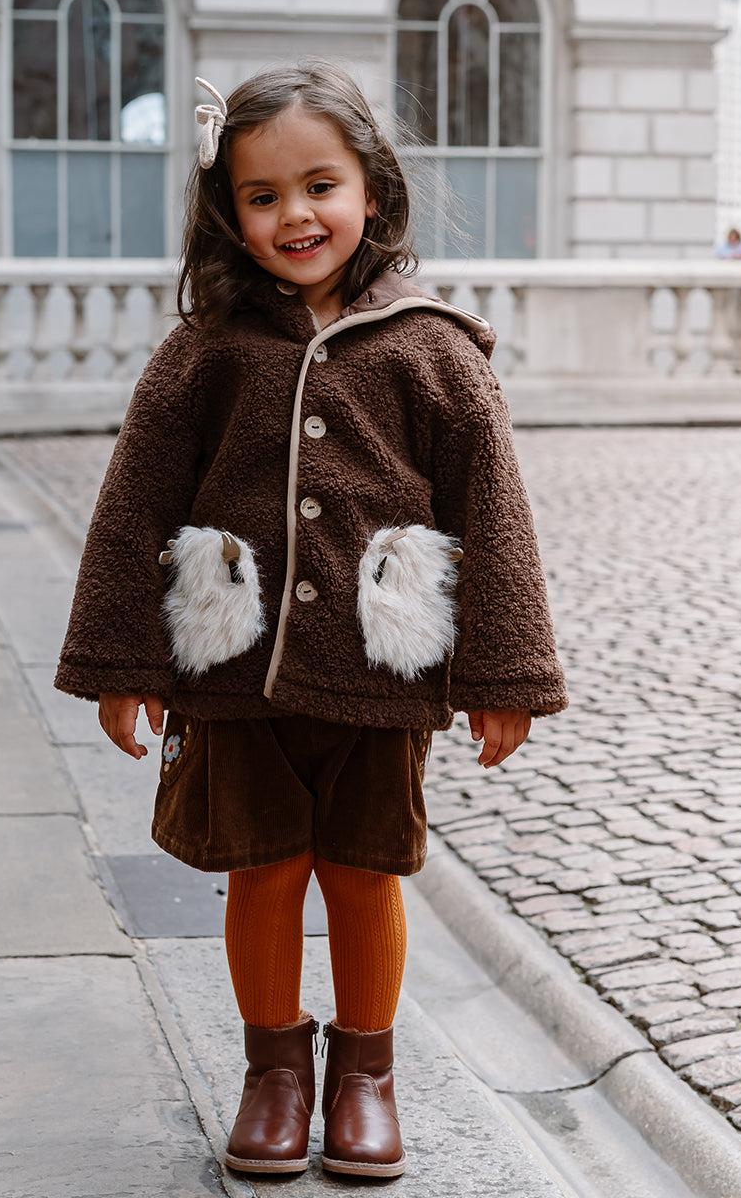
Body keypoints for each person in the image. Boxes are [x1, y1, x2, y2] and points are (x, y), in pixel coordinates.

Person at [55, 61, 567, 1179]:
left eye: (319, 186)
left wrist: (505, 675)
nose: (295, 215)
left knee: (364, 872)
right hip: (234, 667)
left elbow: (494, 510)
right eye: (263, 195)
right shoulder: (205, 350)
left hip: (380, 672)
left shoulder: (435, 349)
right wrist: (121, 659)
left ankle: (368, 1076)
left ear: (372, 191)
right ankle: (276, 1074)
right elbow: (135, 499)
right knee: (263, 870)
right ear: (228, 212)